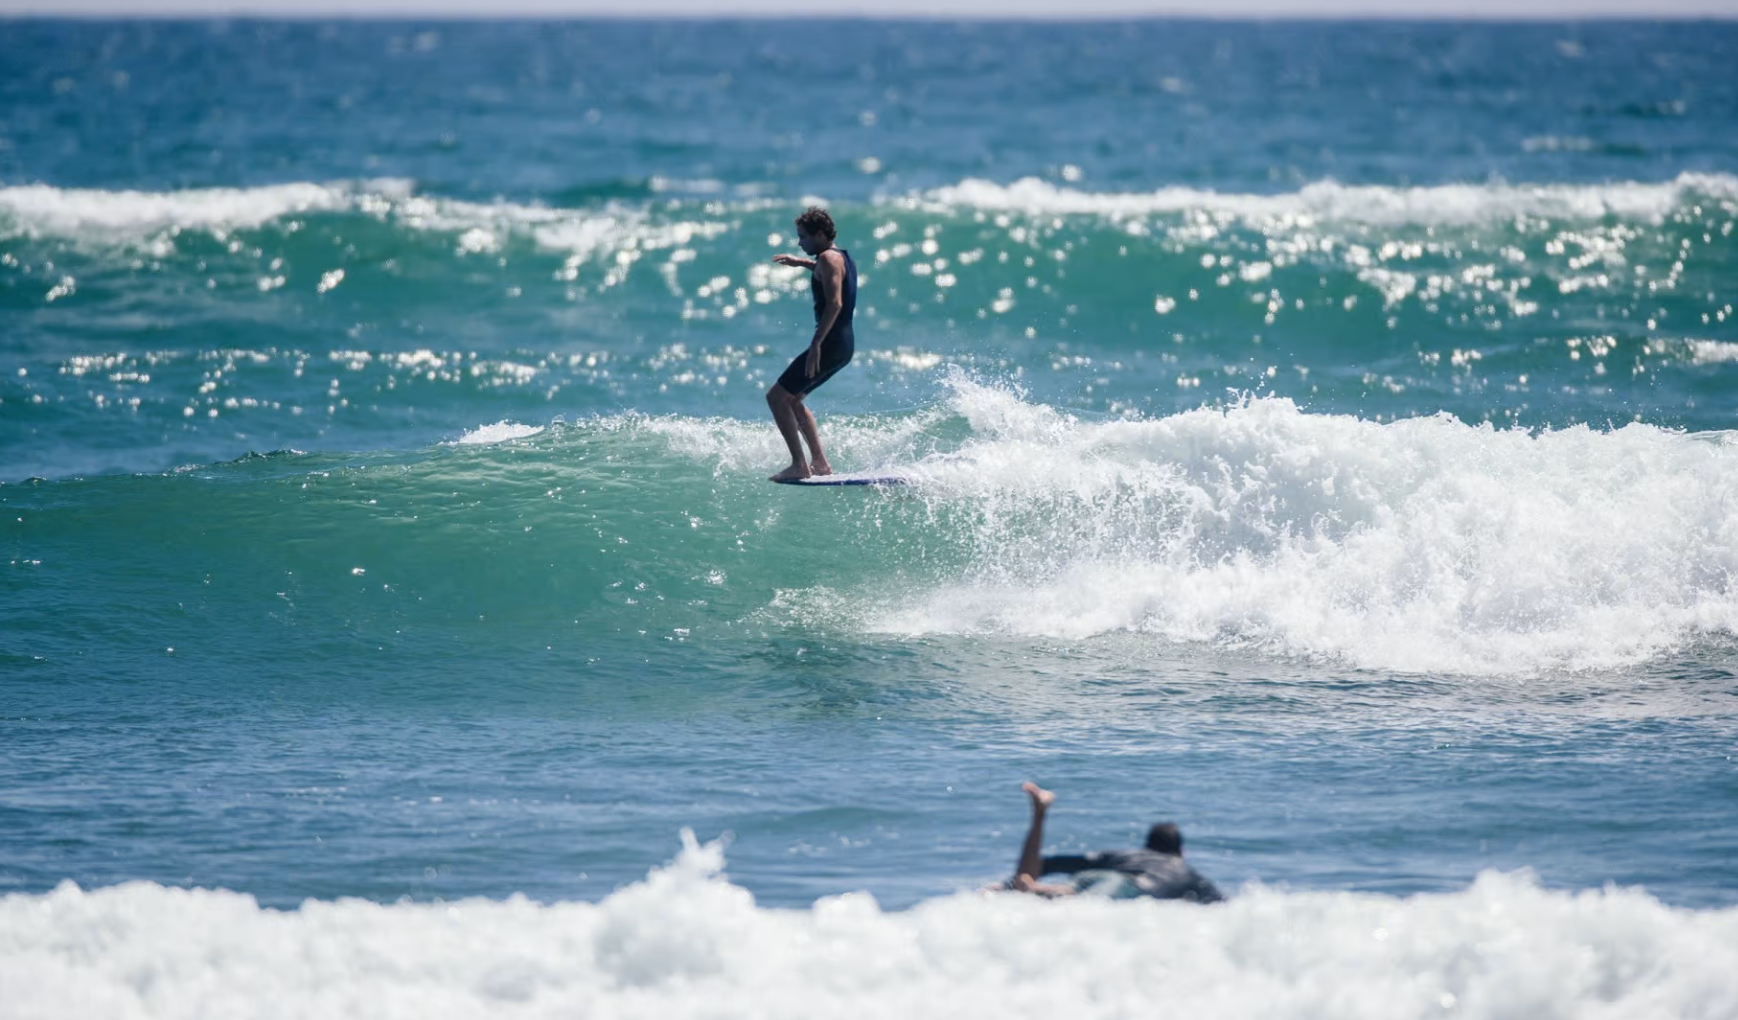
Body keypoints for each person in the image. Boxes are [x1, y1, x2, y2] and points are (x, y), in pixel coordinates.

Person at [1009, 782, 1224, 902]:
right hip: (1130, 888)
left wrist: (1011, 882)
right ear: (1181, 852)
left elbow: (1044, 865)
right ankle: (1038, 890)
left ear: (1147, 847)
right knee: (1082, 905)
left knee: (1065, 891)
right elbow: (1224, 907)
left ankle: (1039, 816)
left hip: (1101, 877)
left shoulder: (1125, 857)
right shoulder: (1187, 873)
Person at [766, 206, 857, 482]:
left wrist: (816, 343)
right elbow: (827, 269)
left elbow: (835, 303)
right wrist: (800, 262)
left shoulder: (828, 259)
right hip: (842, 345)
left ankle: (799, 465)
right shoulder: (839, 256)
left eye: (803, 237)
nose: (799, 242)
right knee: (793, 400)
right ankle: (820, 464)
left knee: (776, 397)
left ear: (819, 234)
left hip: (829, 344)